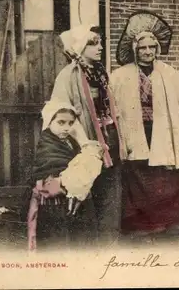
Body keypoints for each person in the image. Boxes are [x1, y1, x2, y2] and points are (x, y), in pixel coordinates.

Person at [109, 11, 179, 241]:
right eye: (143, 48)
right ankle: (141, 225)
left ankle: (168, 224)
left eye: (152, 47)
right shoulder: (120, 76)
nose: (148, 52)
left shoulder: (169, 74)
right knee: (139, 177)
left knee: (163, 177)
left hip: (163, 133)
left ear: (157, 49)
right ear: (135, 50)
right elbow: (110, 106)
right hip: (135, 132)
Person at [50, 24, 125, 245]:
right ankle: (86, 251)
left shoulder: (101, 74)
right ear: (80, 47)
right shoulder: (68, 76)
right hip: (84, 144)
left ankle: (109, 246)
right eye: (93, 43)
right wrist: (84, 144)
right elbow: (61, 112)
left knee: (110, 195)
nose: (100, 47)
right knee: (84, 194)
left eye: (100, 42)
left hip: (108, 142)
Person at [26, 100, 102, 251]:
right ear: (49, 121)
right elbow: (48, 174)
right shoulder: (47, 144)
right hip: (54, 202)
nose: (66, 128)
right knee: (59, 244)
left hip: (71, 198)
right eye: (61, 122)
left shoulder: (69, 141)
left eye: (70, 123)